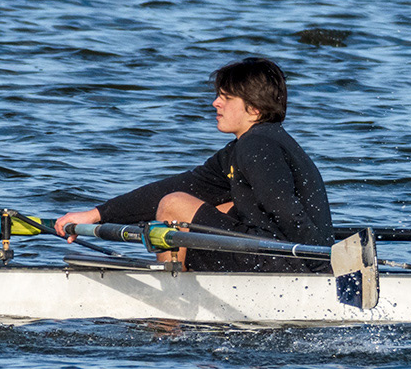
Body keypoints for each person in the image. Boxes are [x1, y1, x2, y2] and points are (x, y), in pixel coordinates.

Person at [53, 57, 333, 273]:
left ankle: (168, 306)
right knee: (212, 205)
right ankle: (181, 277)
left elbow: (286, 210)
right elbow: (181, 185)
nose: (215, 103)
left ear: (255, 109)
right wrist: (97, 214)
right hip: (280, 255)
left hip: (291, 262)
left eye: (226, 97)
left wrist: (324, 270)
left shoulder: (257, 145)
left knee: (175, 205)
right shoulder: (253, 145)